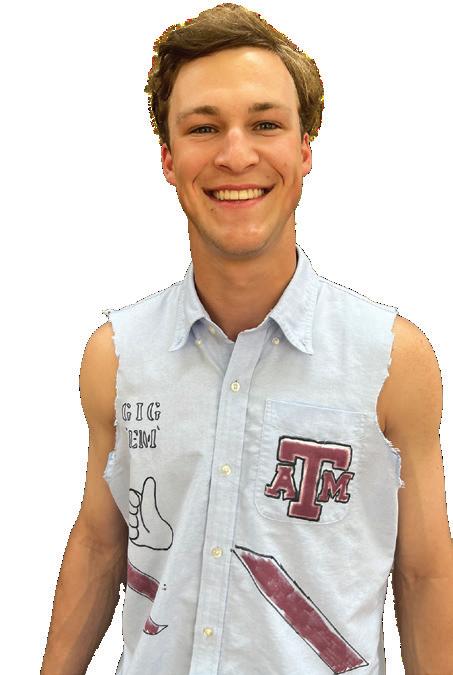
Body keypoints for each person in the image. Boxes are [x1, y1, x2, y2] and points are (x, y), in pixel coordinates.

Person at [41, 4, 452, 674]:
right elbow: (99, 540)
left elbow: (424, 574)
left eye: (265, 124)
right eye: (203, 128)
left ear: (304, 149)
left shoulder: (391, 361)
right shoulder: (115, 356)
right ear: (169, 159)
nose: (236, 155)